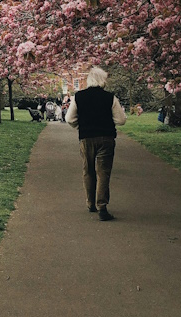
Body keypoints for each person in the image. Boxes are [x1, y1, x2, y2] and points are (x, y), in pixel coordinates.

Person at [65, 67, 127, 221]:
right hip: (106, 138)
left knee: (88, 171)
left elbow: (69, 119)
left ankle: (90, 203)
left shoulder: (79, 97)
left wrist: (82, 126)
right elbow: (121, 120)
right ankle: (102, 206)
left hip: (86, 138)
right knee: (103, 172)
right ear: (103, 80)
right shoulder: (110, 98)